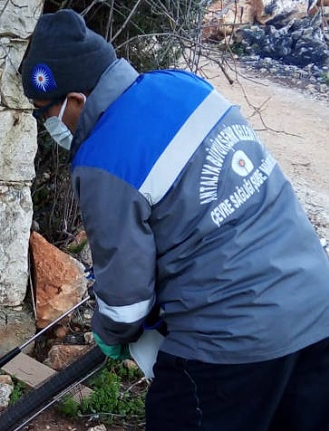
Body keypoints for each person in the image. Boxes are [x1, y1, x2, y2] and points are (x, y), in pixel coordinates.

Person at [20, 8, 329, 431]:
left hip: (230, 342)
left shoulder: (103, 159)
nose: (47, 126)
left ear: (75, 100)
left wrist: (110, 336)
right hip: (316, 308)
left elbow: (126, 305)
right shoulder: (183, 85)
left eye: (44, 113)